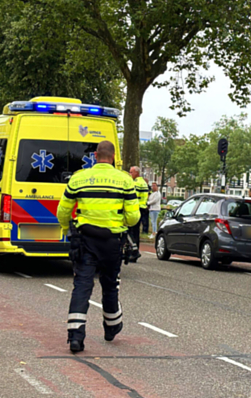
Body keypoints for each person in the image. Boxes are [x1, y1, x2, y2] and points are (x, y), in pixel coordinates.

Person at [57, 141, 140, 352]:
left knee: (82, 286)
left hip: (86, 240)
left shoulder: (78, 179)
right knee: (110, 284)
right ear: (113, 157)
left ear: (95, 156)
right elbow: (133, 217)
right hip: (112, 242)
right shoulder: (125, 180)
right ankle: (111, 327)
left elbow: (62, 212)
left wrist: (69, 227)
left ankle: (75, 336)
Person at [128, 166, 149, 262]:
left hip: (136, 208)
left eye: (131, 172)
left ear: (136, 173)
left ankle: (134, 252)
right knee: (136, 232)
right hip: (142, 208)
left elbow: (131, 197)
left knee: (130, 231)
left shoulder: (136, 183)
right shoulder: (143, 182)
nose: (129, 174)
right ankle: (135, 252)